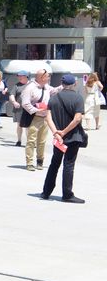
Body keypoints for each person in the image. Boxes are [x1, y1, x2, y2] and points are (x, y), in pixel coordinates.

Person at [42, 74, 87, 203]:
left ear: (62, 84)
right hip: (73, 137)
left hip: (59, 140)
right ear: (74, 84)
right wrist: (64, 132)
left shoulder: (53, 98)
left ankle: (46, 192)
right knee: (69, 165)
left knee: (54, 163)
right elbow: (77, 119)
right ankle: (67, 194)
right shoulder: (78, 98)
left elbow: (48, 117)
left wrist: (56, 133)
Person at [21, 68, 59, 171]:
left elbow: (54, 91)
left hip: (45, 118)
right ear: (42, 77)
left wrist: (64, 85)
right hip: (34, 117)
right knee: (31, 141)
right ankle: (29, 163)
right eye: (47, 76)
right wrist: (36, 110)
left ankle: (40, 161)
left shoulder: (46, 87)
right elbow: (25, 103)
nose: (49, 78)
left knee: (42, 141)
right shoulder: (30, 88)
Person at [9, 70, 30, 146]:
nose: (19, 77)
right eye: (18, 76)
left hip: (29, 109)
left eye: (21, 76)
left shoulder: (32, 85)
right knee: (19, 125)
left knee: (28, 126)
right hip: (19, 109)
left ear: (26, 76)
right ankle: (19, 140)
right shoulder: (17, 85)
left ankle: (29, 142)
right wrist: (14, 102)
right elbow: (11, 95)